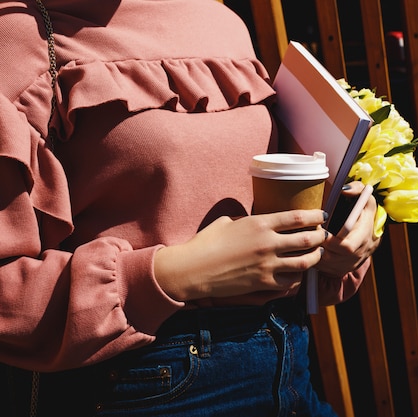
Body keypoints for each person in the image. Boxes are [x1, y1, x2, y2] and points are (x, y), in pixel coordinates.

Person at [0, 1, 380, 416]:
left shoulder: (222, 22)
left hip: (288, 364)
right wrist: (175, 274)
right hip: (140, 384)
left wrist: (333, 243)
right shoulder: (18, 37)